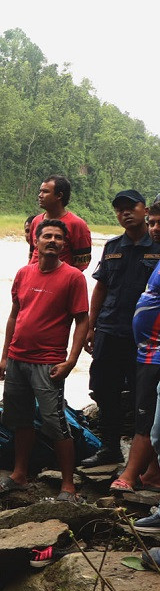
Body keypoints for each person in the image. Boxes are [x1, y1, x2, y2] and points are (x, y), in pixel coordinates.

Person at [0, 219, 90, 501]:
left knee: (55, 421)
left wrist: (71, 360)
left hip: (49, 362)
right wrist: (3, 357)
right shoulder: (24, 273)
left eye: (59, 238)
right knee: (20, 419)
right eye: (47, 236)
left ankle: (68, 485)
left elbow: (82, 321)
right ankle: (19, 475)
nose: (52, 241)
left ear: (64, 245)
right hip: (17, 359)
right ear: (36, 241)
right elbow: (14, 315)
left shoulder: (73, 277)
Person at [87, 191, 160, 474]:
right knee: (104, 388)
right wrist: (92, 326)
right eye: (119, 210)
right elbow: (101, 287)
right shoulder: (112, 246)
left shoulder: (156, 246)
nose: (125, 214)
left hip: (144, 341)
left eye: (131, 208)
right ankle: (109, 447)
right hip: (110, 328)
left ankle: (146, 462)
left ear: (144, 210)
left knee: (143, 396)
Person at [129, 202, 160, 527]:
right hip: (148, 352)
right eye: (152, 223)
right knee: (156, 430)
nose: (154, 229)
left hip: (156, 355)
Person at [27, 175, 92, 272]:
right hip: (33, 278)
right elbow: (33, 253)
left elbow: (81, 264)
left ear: (59, 196)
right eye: (40, 191)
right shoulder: (36, 220)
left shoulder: (77, 224)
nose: (40, 195)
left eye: (45, 192)